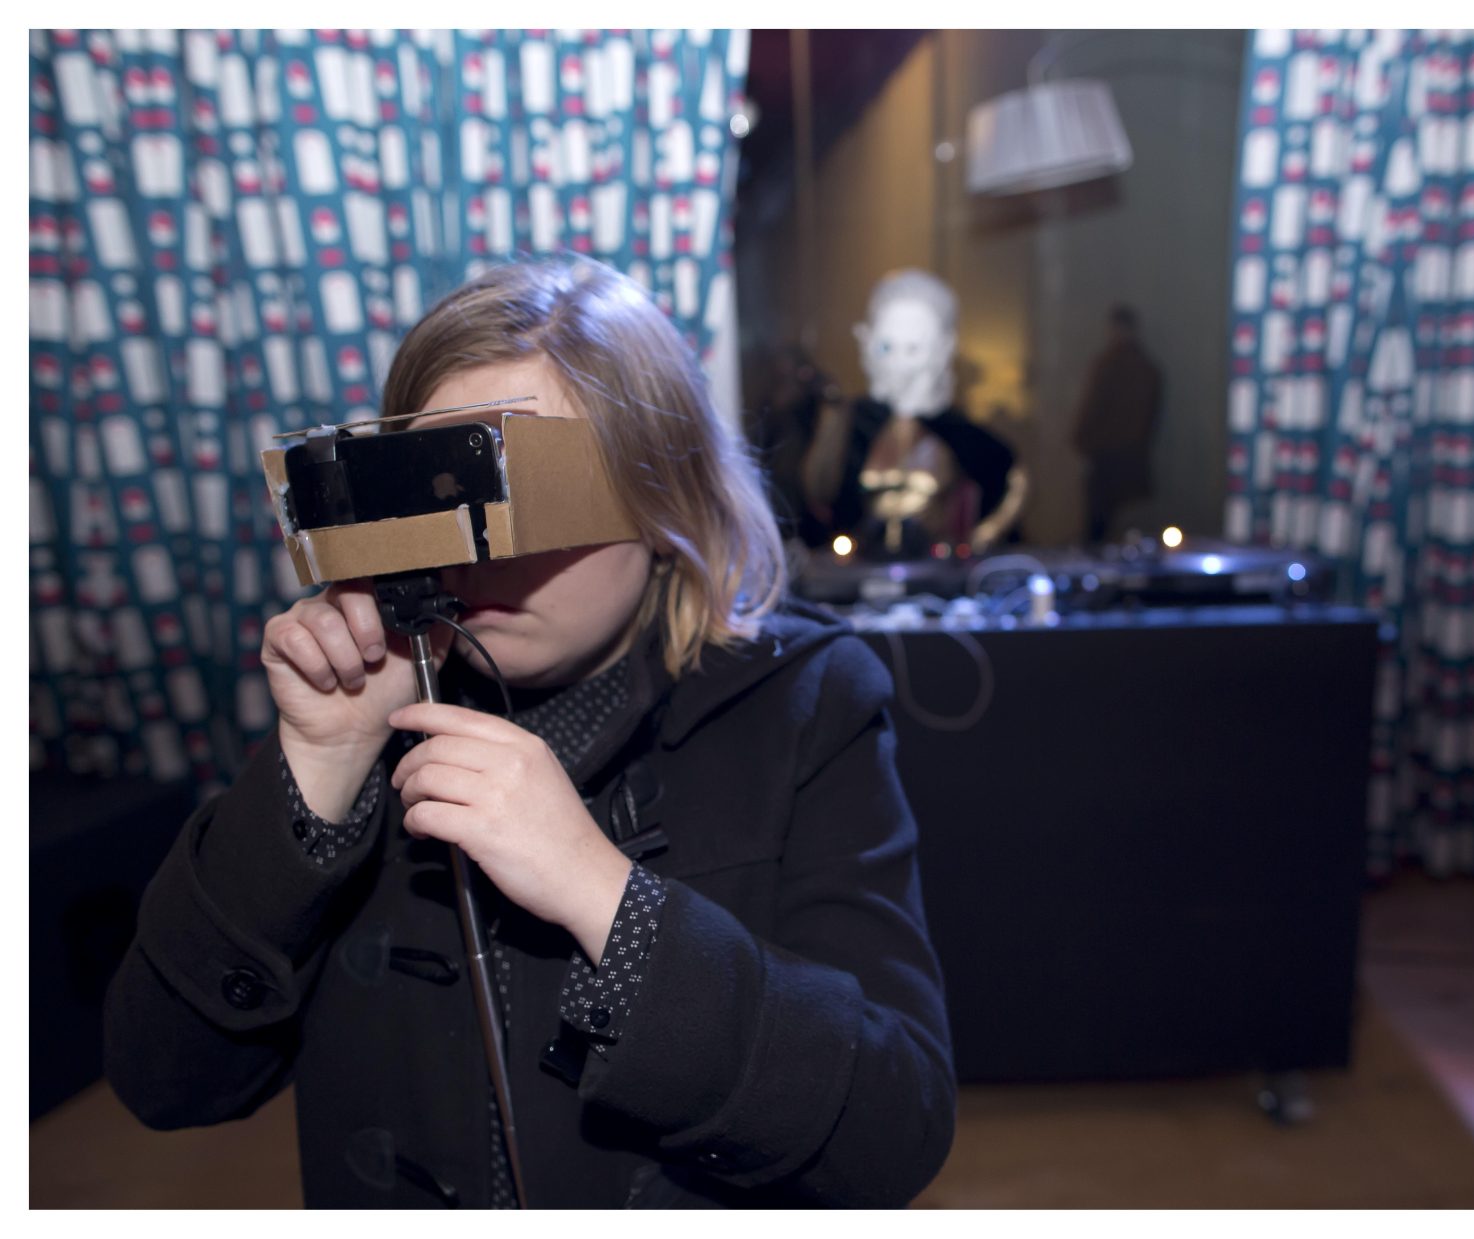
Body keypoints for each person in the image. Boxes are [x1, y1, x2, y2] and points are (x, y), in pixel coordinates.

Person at [103, 257, 957, 1209]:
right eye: (441, 492)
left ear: (662, 500)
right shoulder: (369, 710)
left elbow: (893, 1130)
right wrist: (318, 774)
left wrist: (605, 897)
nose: (479, 554)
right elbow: (161, 1082)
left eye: (527, 496)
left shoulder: (806, 702)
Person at [801, 269, 1026, 557]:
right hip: (861, 564)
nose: (900, 364)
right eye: (887, 347)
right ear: (868, 342)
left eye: (913, 349)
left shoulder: (963, 437)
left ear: (942, 349)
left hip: (935, 570)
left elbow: (1008, 486)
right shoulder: (852, 426)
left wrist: (978, 539)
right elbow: (820, 492)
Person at [1070, 305, 1163, 545]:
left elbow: (1093, 408)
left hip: (1110, 459)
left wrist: (1083, 440)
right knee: (1123, 527)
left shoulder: (1113, 366)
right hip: (1124, 458)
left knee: (1105, 528)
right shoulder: (1143, 368)